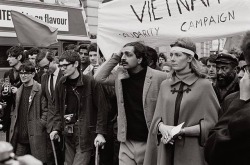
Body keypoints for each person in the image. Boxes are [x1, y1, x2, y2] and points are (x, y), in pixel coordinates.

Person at [144, 38, 220, 165]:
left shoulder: (204, 85)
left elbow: (212, 124)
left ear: (189, 58)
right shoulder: (165, 85)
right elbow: (156, 119)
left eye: (178, 55)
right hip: (166, 147)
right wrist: (162, 128)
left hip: (191, 152)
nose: (172, 59)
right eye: (171, 54)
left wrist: (182, 131)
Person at [95, 41, 167, 165]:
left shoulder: (159, 77)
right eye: (122, 55)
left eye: (128, 54)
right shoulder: (120, 75)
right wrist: (116, 56)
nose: (123, 58)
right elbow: (99, 77)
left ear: (139, 59)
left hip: (150, 141)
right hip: (126, 141)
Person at [50, 50, 108, 165]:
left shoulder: (90, 82)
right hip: (67, 132)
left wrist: (100, 133)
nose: (62, 68)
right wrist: (56, 128)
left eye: (65, 65)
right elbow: (57, 109)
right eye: (60, 65)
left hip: (85, 133)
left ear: (76, 64)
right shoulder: (61, 83)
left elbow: (102, 109)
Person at [204, 31, 250, 165]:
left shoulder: (238, 98)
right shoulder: (215, 90)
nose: (219, 72)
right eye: (217, 68)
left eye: (224, 68)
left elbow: (215, 148)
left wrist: (241, 101)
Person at [8, 60, 47, 164]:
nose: (23, 75)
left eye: (26, 73)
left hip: (36, 136)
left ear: (33, 74)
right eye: (21, 73)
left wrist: (40, 124)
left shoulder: (40, 89)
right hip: (21, 136)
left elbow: (46, 110)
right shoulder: (19, 90)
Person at [36, 49, 64, 165]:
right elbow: (46, 101)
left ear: (54, 61)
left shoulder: (64, 75)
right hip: (50, 126)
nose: (45, 70)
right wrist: (45, 122)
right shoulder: (44, 77)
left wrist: (59, 127)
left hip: (64, 126)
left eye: (46, 66)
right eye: (42, 68)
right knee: (51, 159)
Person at [0, 46, 24, 141]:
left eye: (10, 57)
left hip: (22, 115)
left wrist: (18, 91)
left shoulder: (28, 71)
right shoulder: (7, 73)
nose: (7, 59)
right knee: (9, 142)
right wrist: (3, 94)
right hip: (10, 114)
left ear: (19, 57)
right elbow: (3, 96)